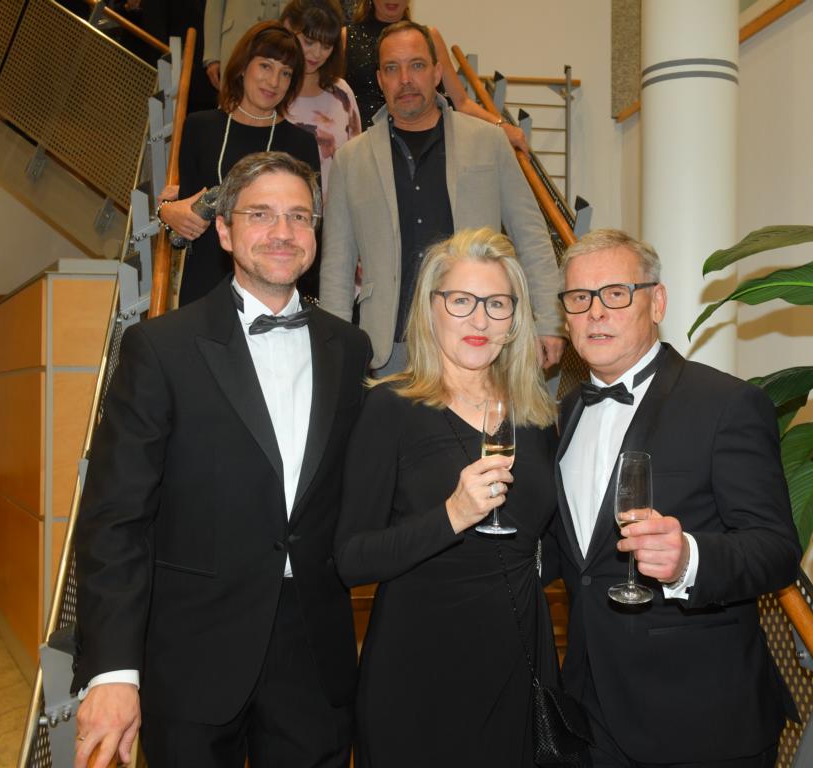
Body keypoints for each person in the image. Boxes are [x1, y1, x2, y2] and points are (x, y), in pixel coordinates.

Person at [72, 152, 372, 768]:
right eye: (261, 215)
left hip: (314, 656)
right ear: (226, 231)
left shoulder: (350, 349)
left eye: (299, 216)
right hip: (191, 652)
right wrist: (113, 671)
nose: (283, 232)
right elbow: (116, 519)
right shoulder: (160, 348)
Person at [547, 229, 801, 768]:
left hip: (700, 719)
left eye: (616, 293)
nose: (596, 312)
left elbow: (776, 550)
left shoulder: (727, 403)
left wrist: (689, 558)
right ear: (566, 317)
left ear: (656, 303)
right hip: (591, 711)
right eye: (579, 298)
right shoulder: (565, 414)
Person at [335, 227, 559, 768]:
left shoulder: (536, 416)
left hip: (518, 657)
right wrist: (452, 515)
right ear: (431, 309)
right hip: (420, 669)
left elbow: (551, 539)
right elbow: (352, 559)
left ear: (515, 319)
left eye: (497, 303)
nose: (480, 320)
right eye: (461, 301)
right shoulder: (390, 409)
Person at [318, 21, 563, 375]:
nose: (405, 79)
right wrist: (332, 349)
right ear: (380, 79)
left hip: (477, 341)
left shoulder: (489, 142)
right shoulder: (350, 160)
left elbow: (532, 236)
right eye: (392, 68)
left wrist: (549, 321)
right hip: (389, 350)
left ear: (436, 73)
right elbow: (337, 267)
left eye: (416, 65)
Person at [158, 21, 321, 306]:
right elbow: (183, 218)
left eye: (285, 73)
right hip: (203, 289)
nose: (274, 82)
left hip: (272, 289)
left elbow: (311, 228)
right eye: (265, 66)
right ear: (244, 66)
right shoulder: (199, 127)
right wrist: (166, 212)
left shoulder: (301, 144)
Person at [343, 0, 529, 152]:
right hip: (367, 147)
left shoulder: (429, 37)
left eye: (416, 65)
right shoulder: (345, 37)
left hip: (425, 144)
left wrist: (501, 126)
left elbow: (462, 101)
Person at [281, 0, 362, 197]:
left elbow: (358, 162)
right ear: (288, 29)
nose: (316, 54)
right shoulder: (272, 90)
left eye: (326, 46)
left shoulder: (341, 92)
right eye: (308, 42)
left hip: (336, 208)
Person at [203, 0, 281, 89]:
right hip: (235, 39)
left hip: (278, 42)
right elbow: (214, 5)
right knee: (232, 93)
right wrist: (212, 57)